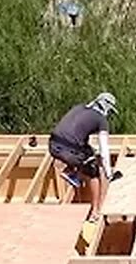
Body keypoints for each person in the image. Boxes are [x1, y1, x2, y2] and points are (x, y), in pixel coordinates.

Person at [49, 92, 117, 222]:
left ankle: (71, 172)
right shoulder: (101, 120)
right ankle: (95, 212)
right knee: (93, 172)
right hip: (70, 151)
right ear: (106, 108)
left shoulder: (78, 108)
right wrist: (109, 173)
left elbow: (71, 131)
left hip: (53, 145)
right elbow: (104, 150)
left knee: (86, 150)